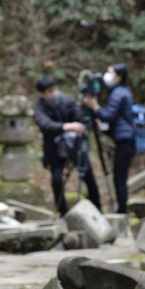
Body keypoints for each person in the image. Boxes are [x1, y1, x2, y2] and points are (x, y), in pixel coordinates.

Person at [33, 75, 101, 216]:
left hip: (75, 145)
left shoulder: (66, 102)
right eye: (50, 92)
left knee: (89, 177)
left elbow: (79, 118)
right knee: (57, 180)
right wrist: (67, 126)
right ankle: (63, 213)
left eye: (55, 90)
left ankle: (98, 210)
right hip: (54, 149)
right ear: (42, 93)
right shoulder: (39, 107)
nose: (54, 94)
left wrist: (90, 120)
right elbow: (45, 125)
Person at [83, 63, 136, 215]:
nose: (107, 75)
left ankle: (121, 211)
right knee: (120, 177)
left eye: (110, 72)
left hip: (124, 140)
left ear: (119, 77)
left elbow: (108, 115)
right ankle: (121, 209)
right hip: (125, 139)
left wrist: (94, 107)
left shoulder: (118, 93)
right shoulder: (121, 91)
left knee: (119, 178)